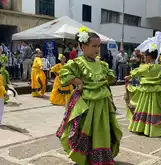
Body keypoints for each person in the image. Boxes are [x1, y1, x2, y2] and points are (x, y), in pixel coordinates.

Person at [56, 27, 122, 165]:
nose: (97, 49)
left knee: (102, 130)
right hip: (86, 105)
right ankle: (84, 157)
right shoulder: (78, 63)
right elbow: (64, 74)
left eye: (99, 46)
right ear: (83, 47)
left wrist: (109, 78)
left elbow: (111, 76)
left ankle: (101, 156)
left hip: (103, 104)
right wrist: (76, 81)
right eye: (94, 46)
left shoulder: (102, 64)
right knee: (85, 130)